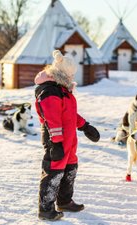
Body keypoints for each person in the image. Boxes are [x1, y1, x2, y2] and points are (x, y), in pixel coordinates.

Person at [34, 50, 100, 221]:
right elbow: (52, 118)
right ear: (62, 73)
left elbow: (69, 114)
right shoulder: (49, 91)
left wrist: (85, 126)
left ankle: (64, 201)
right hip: (56, 138)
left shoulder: (63, 90)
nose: (71, 78)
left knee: (70, 169)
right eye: (70, 75)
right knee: (54, 172)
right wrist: (56, 143)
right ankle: (45, 209)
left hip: (69, 139)